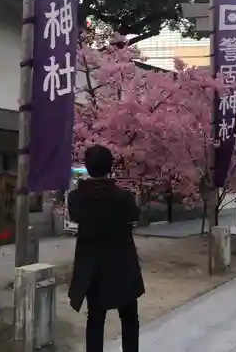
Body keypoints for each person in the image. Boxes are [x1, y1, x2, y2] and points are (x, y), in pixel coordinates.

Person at [67, 145, 144, 352]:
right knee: (129, 319)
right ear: (110, 167)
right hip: (122, 266)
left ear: (87, 166)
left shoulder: (76, 198)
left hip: (92, 268)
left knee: (95, 319)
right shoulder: (123, 197)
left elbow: (75, 217)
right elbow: (135, 216)